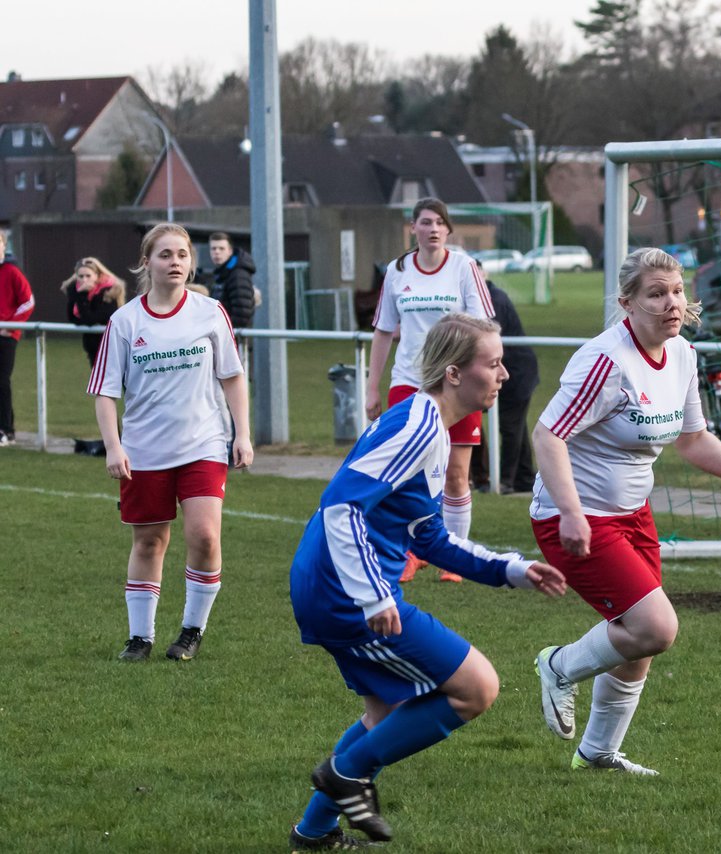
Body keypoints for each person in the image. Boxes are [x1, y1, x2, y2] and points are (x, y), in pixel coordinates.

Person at [288, 313, 566, 849]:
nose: (504, 374)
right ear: (455, 374)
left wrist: (509, 569)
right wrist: (371, 594)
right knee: (476, 688)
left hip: (329, 583)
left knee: (386, 713)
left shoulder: (429, 426)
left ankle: (314, 833)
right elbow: (341, 507)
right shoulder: (417, 426)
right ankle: (346, 775)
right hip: (344, 590)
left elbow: (429, 537)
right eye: (493, 363)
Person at [530, 248, 721, 776]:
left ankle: (598, 754)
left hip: (632, 513)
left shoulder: (683, 355)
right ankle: (558, 666)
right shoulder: (605, 361)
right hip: (573, 516)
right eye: (656, 293)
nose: (671, 303)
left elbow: (693, 440)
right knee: (655, 626)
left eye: (676, 291)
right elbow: (547, 434)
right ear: (627, 303)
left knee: (637, 639)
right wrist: (573, 512)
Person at [87, 223, 254, 662]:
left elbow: (233, 376)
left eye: (182, 254)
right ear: (147, 263)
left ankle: (191, 631)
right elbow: (105, 390)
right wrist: (113, 445)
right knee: (149, 542)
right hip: (144, 449)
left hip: (204, 443)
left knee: (203, 535)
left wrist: (244, 434)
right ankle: (139, 637)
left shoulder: (210, 312)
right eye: (165, 255)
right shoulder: (125, 321)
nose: (175, 262)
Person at [366, 198, 494, 583]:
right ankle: (411, 552)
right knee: (406, 475)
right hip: (409, 383)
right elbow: (384, 331)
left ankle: (453, 558)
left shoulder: (463, 267)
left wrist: (484, 375)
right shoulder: (397, 270)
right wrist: (373, 386)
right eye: (426, 222)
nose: (434, 228)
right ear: (413, 228)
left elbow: (485, 326)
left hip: (458, 383)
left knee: (455, 474)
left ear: (448, 229)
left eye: (441, 222)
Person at [469, 280, 539, 493]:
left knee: (510, 427)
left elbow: (486, 340)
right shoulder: (486, 297)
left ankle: (504, 481)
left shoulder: (493, 300)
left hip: (517, 375)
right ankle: (525, 478)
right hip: (512, 372)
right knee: (517, 427)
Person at [0, 230, 35, 447]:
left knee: (1, 382)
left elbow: (28, 302)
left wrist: (10, 325)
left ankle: (6, 430)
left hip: (6, 336)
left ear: (4, 246)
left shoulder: (11, 272)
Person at [61, 257, 125, 366]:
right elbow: (73, 318)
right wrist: (77, 296)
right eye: (81, 276)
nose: (84, 280)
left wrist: (81, 296)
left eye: (88, 276)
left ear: (97, 276)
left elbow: (90, 319)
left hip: (111, 348)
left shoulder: (109, 293)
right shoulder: (80, 293)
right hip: (92, 347)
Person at [206, 232, 258, 330]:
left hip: (232, 337)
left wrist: (223, 331)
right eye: (213, 248)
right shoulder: (221, 273)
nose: (217, 252)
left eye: (221, 248)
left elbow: (242, 314)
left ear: (230, 251)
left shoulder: (238, 274)